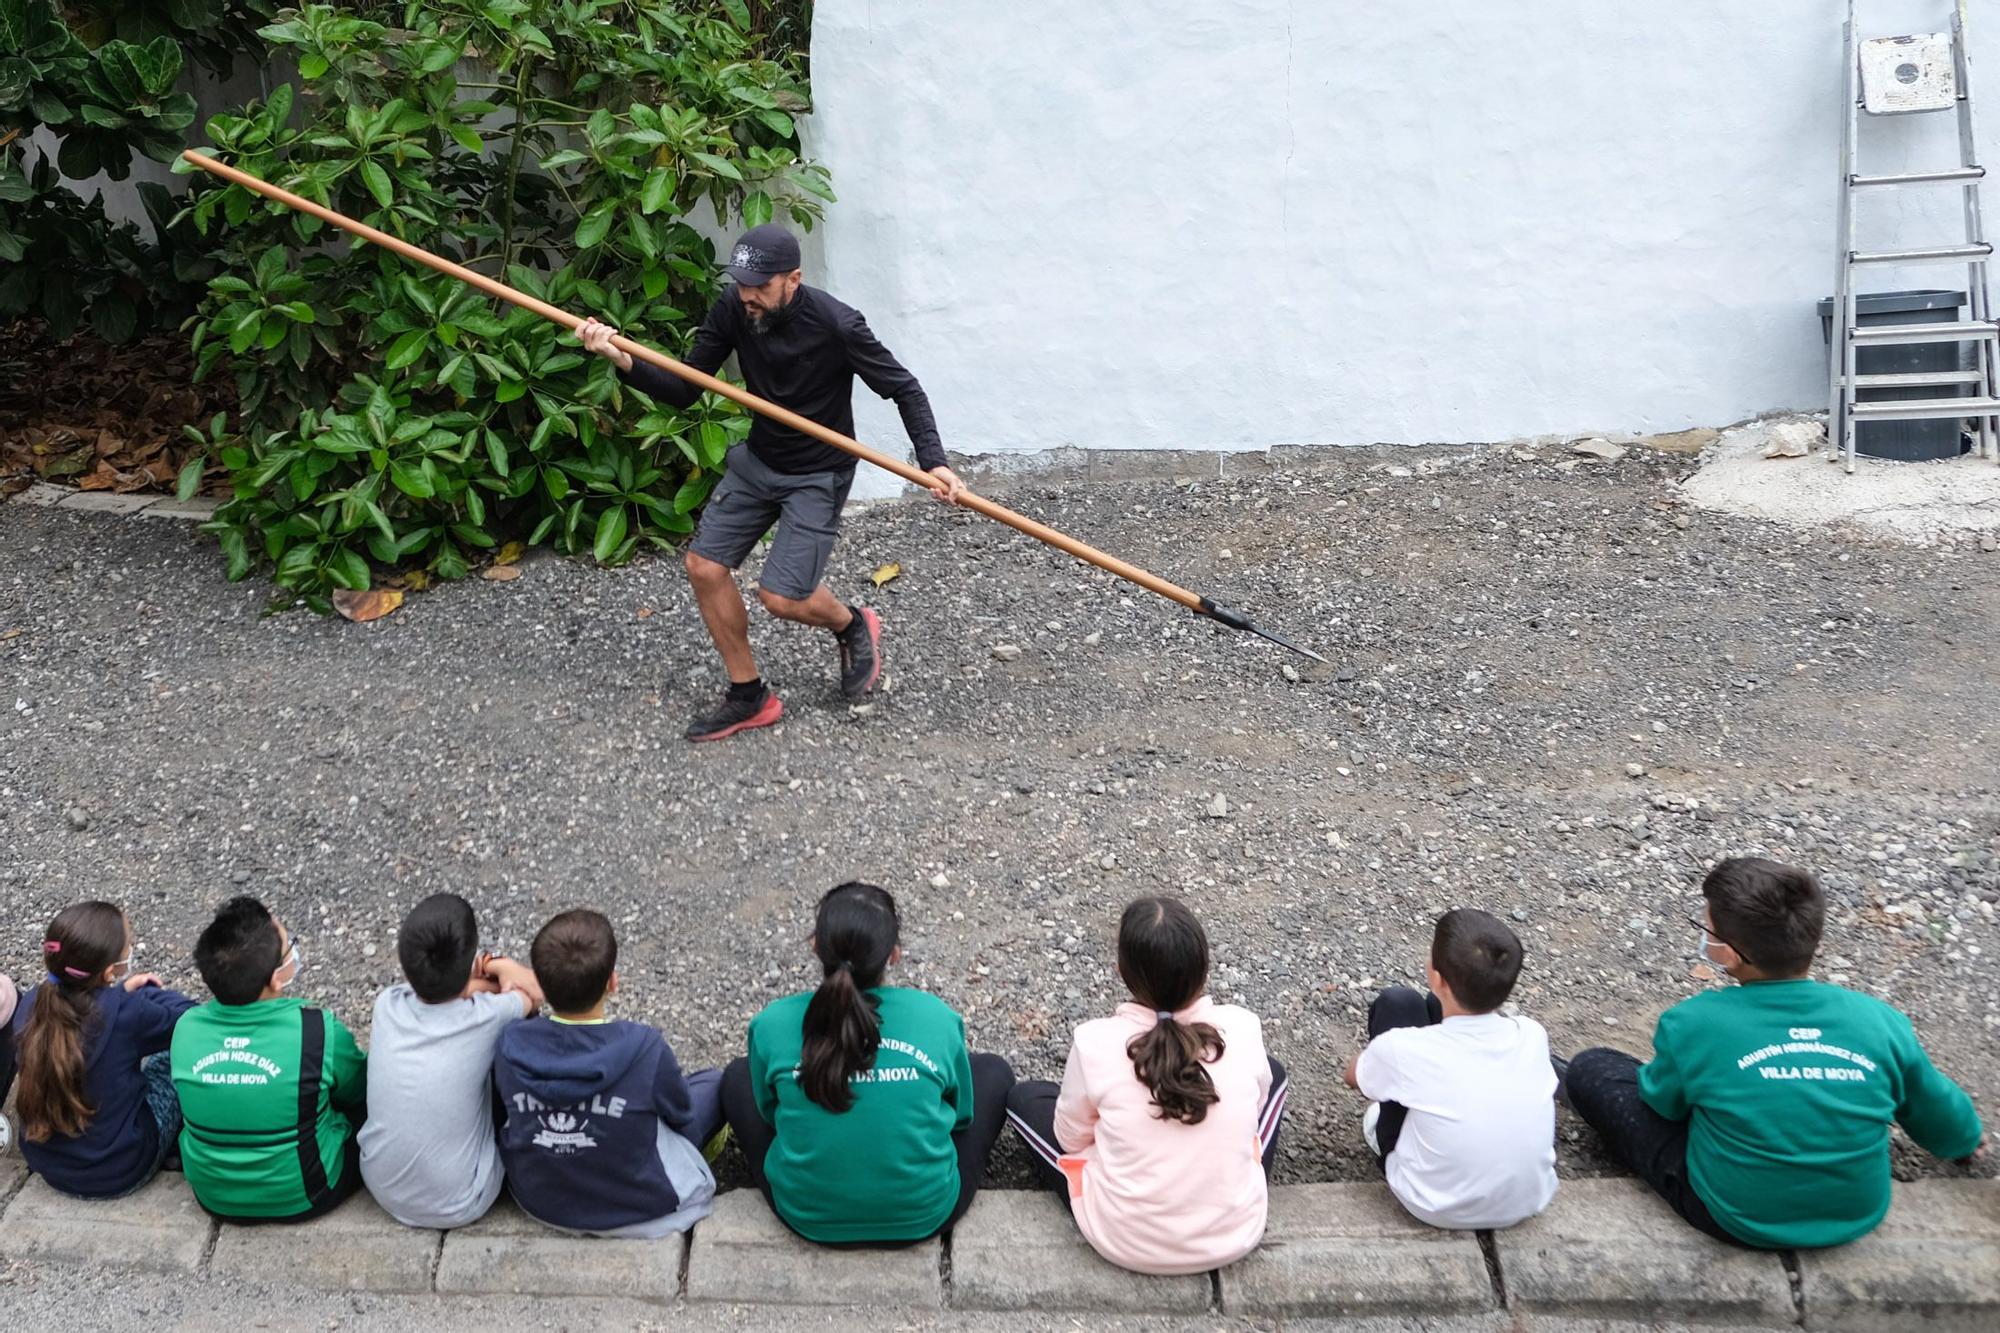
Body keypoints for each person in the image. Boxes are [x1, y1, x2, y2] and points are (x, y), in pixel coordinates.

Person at [576, 223, 966, 743]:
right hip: (760, 460)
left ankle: (851, 624)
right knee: (703, 566)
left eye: (760, 285)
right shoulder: (734, 309)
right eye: (741, 282)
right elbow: (688, 389)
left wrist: (933, 461)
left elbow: (905, 390)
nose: (747, 295)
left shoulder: (838, 325)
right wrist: (621, 358)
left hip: (818, 472)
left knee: (781, 597)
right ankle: (748, 695)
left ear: (794, 279)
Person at [1566, 857, 1986, 1249]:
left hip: (1732, 1216)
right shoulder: (1880, 1021)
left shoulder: (1693, 1022)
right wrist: (1964, 1141)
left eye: (1708, 929)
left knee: (1593, 1069)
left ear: (1728, 954)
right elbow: (1938, 1110)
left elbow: (1663, 1105)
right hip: (1856, 1211)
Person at [1004, 897, 1289, 1274]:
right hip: (1235, 1234)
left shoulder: (1095, 1042)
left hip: (1125, 1240)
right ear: (1204, 966)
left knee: (1023, 1098)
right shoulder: (1242, 1027)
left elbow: (1070, 1139)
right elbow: (1251, 1114)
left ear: (1121, 970)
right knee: (1274, 1073)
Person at [722, 882, 1015, 1246]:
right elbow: (961, 1115)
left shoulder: (771, 1024)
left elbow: (768, 1113)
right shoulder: (935, 1018)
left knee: (737, 1076)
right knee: (993, 1071)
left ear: (815, 944)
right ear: (894, 954)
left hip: (808, 1214)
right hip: (925, 1212)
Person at [494, 909, 723, 1238]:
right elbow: (681, 1116)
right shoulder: (645, 1047)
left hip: (541, 1203)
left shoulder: (509, 1043)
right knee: (716, 1082)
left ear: (540, 983)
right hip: (641, 1206)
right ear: (612, 981)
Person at [1342, 909, 1557, 1230]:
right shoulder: (1531, 1034)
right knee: (1430, 1006)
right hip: (1527, 1201)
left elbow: (1353, 1077)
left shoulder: (1404, 1050)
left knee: (1398, 1003)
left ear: (1437, 976)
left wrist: (1384, 1057)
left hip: (1430, 1202)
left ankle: (1387, 1137)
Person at [172, 896, 368, 1222]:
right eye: (288, 947)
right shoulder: (318, 1029)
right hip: (308, 1194)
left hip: (213, 1196)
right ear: (276, 978)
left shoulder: (185, 1028)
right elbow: (360, 1089)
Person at [359, 893, 544, 1229]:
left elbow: (463, 992)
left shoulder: (387, 1004)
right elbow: (532, 993)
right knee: (522, 1030)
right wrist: (496, 963)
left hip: (381, 1186)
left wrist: (475, 982)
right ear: (469, 956)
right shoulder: (488, 1018)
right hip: (462, 1201)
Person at [12, 902, 197, 1198]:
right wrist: (149, 994)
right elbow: (191, 1019)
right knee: (170, 1056)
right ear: (111, 971)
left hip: (50, 1169)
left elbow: (90, 1017)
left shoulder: (32, 1004)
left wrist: (117, 993)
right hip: (120, 1170)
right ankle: (175, 1145)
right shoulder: (130, 1013)